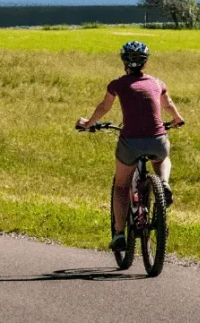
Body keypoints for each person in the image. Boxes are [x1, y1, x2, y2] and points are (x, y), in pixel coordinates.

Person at [76, 40, 185, 251]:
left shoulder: (117, 84)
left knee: (121, 185)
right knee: (162, 157)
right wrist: (177, 119)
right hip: (157, 140)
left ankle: (118, 234)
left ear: (123, 62)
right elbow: (168, 105)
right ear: (145, 63)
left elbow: (104, 107)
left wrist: (88, 124)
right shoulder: (156, 83)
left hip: (130, 143)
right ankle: (163, 182)